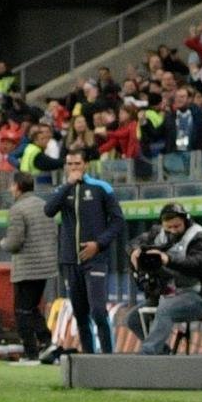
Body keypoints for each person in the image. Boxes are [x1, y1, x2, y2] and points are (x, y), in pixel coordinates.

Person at [43, 151, 125, 354]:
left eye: (77, 163)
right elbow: (48, 210)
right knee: (80, 314)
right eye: (69, 163)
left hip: (95, 259)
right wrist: (68, 184)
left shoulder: (101, 188)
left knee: (98, 311)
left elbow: (117, 221)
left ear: (85, 165)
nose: (73, 167)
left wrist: (98, 244)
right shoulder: (62, 190)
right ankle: (89, 359)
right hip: (70, 261)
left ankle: (109, 357)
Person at [125, 204, 202, 355]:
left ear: (185, 221)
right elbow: (133, 243)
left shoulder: (200, 237)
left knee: (166, 308)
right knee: (133, 319)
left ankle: (146, 356)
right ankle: (164, 355)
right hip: (169, 294)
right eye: (169, 227)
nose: (173, 230)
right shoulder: (157, 233)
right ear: (162, 224)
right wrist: (135, 251)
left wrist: (167, 259)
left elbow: (195, 264)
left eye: (177, 226)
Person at [0, 172, 57, 364]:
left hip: (27, 267)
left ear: (17, 186)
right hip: (46, 265)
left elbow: (14, 242)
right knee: (31, 308)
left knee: (22, 310)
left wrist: (3, 243)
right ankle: (47, 342)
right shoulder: (44, 205)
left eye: (11, 185)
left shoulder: (17, 209)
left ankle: (31, 352)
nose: (9, 189)